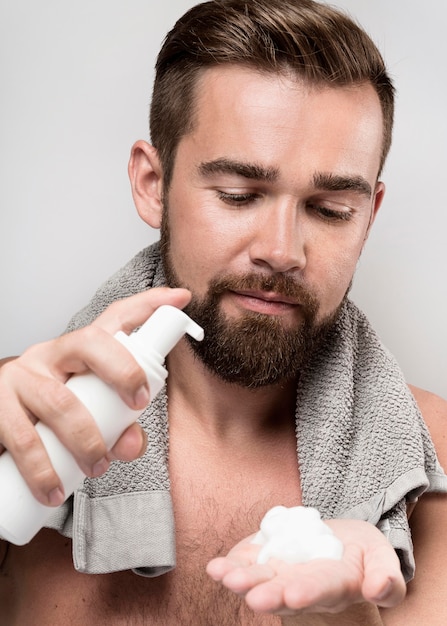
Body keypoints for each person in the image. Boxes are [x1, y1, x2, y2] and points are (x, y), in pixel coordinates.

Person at [0, 0, 446, 623]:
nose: (281, 251)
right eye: (239, 196)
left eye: (330, 210)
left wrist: (342, 618)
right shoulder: (16, 423)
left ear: (369, 213)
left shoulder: (433, 463)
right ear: (153, 185)